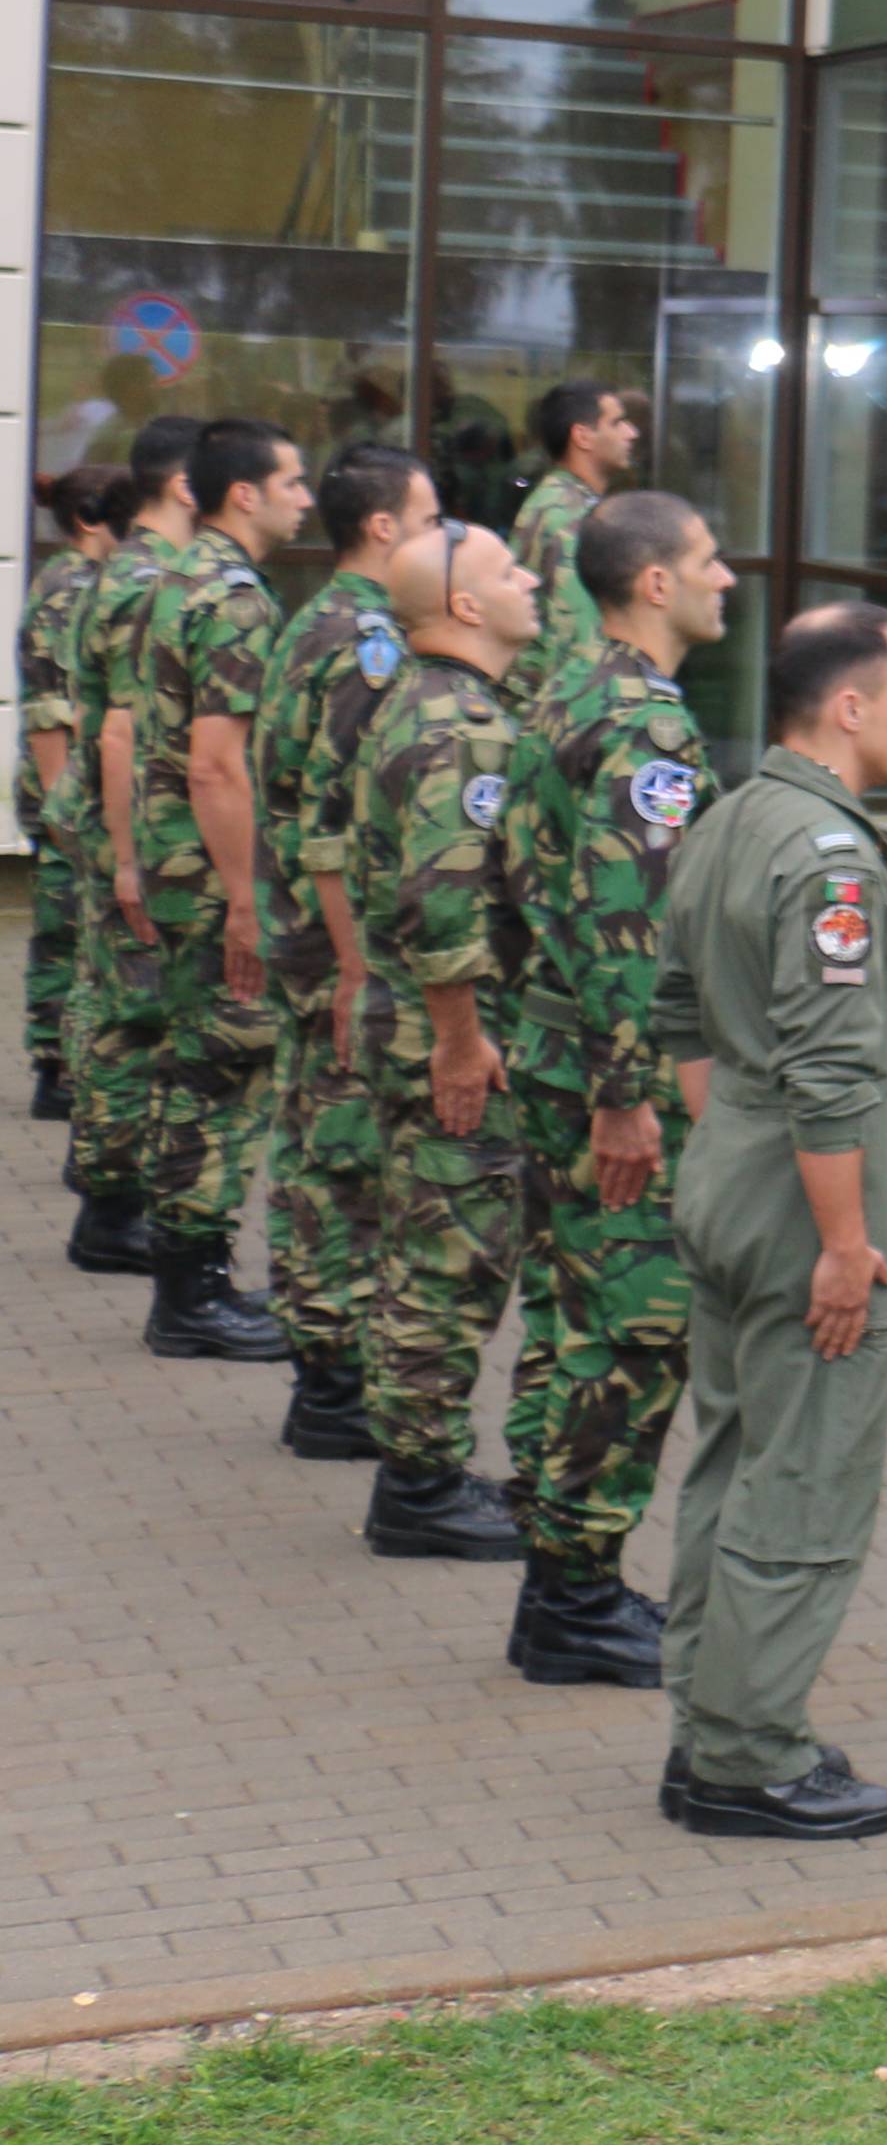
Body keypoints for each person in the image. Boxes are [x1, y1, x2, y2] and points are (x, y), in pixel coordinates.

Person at [651, 603, 887, 1844]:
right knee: (805, 1477)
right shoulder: (828, 853)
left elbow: (680, 1017)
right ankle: (749, 1757)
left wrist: (732, 1145)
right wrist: (840, 1241)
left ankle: (710, 1725)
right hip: (798, 1204)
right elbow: (829, 1069)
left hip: (728, 1173)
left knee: (727, 1461)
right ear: (849, 708)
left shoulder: (727, 817)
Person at [493, 492, 732, 1687]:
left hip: (549, 1050)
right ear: (651, 583)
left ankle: (559, 1573)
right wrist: (629, 1092)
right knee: (632, 1332)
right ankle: (575, 1597)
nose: (726, 577)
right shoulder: (644, 725)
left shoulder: (568, 687)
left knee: (565, 1312)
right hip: (604, 1072)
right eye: (707, 561)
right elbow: (626, 922)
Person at [346, 517, 541, 1554]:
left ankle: (416, 1467)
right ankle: (418, 1490)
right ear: (465, 606)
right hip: (449, 1033)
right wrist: (463, 1042)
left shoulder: (422, 704)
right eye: (511, 571)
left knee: (428, 1243)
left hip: (409, 1019)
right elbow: (442, 902)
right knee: (450, 1258)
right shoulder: (461, 725)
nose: (534, 578)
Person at [256, 445, 436, 1455]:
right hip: (335, 945)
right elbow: (331, 818)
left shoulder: (315, 616)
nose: (439, 534)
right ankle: (331, 1388)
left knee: (318, 1146)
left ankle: (324, 1373)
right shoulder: (367, 641)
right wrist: (356, 969)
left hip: (306, 934)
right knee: (344, 1159)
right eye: (428, 514)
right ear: (382, 528)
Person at [120, 416, 309, 1357]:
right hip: (208, 872)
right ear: (246, 493)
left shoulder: (180, 578)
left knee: (197, 1068)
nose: (306, 498)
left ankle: (188, 1285)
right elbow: (216, 768)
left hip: (173, 861)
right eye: (294, 482)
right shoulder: (234, 600)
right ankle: (192, 1295)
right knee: (225, 1074)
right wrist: (247, 899)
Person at [61, 417, 200, 1281]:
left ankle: (110, 1201)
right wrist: (126, 858)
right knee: (135, 1016)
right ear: (187, 485)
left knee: (121, 1007)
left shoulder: (127, 571)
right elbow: (120, 730)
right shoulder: (152, 581)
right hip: (136, 828)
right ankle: (111, 1214)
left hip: (114, 820)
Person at [22, 463, 128, 1125]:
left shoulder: (83, 582)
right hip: (64, 794)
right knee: (65, 930)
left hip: (73, 795)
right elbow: (50, 711)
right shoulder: (69, 589)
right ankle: (54, 1066)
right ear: (91, 518)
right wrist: (64, 807)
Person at [502, 383, 640, 710]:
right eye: (617, 422)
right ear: (583, 436)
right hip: (555, 715)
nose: (632, 433)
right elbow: (576, 640)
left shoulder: (557, 500)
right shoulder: (572, 517)